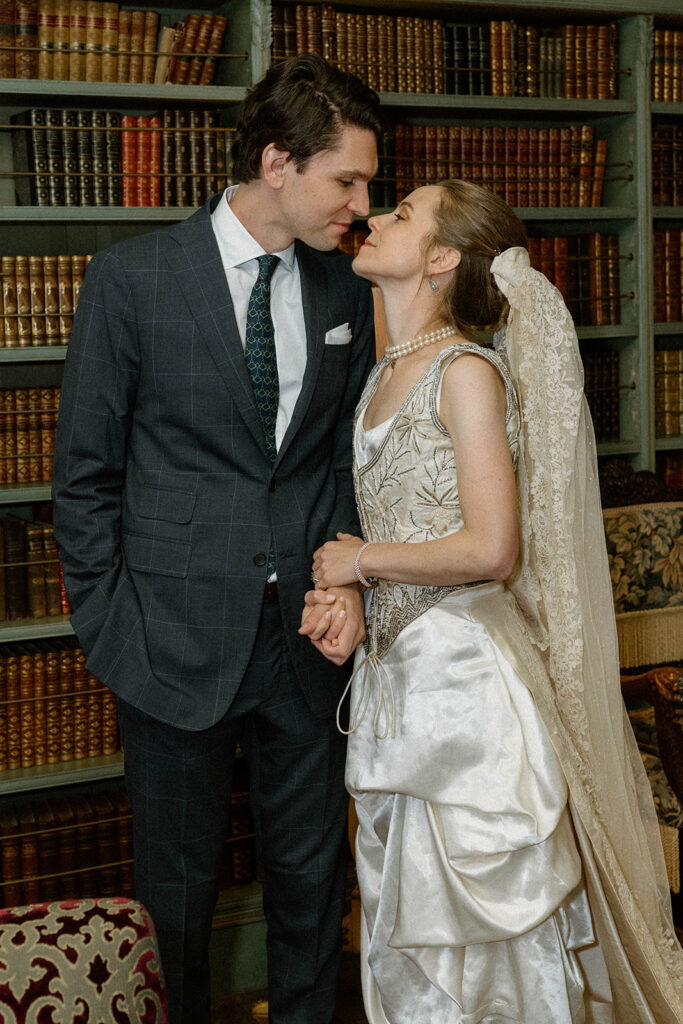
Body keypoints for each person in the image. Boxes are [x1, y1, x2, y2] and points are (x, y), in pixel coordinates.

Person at [52, 54, 383, 1024]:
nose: (362, 205)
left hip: (306, 646)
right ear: (277, 163)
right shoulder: (131, 278)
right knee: (177, 898)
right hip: (165, 642)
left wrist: (345, 579)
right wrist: (112, 631)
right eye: (347, 180)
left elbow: (343, 455)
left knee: (311, 887)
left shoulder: (344, 285)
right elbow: (84, 477)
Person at [306, 179, 683, 1023]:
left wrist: (360, 561)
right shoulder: (386, 373)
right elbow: (413, 523)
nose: (374, 217)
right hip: (400, 687)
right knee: (413, 935)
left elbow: (489, 548)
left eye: (402, 214)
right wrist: (355, 594)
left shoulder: (466, 373)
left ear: (442, 257)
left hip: (467, 698)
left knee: (490, 948)